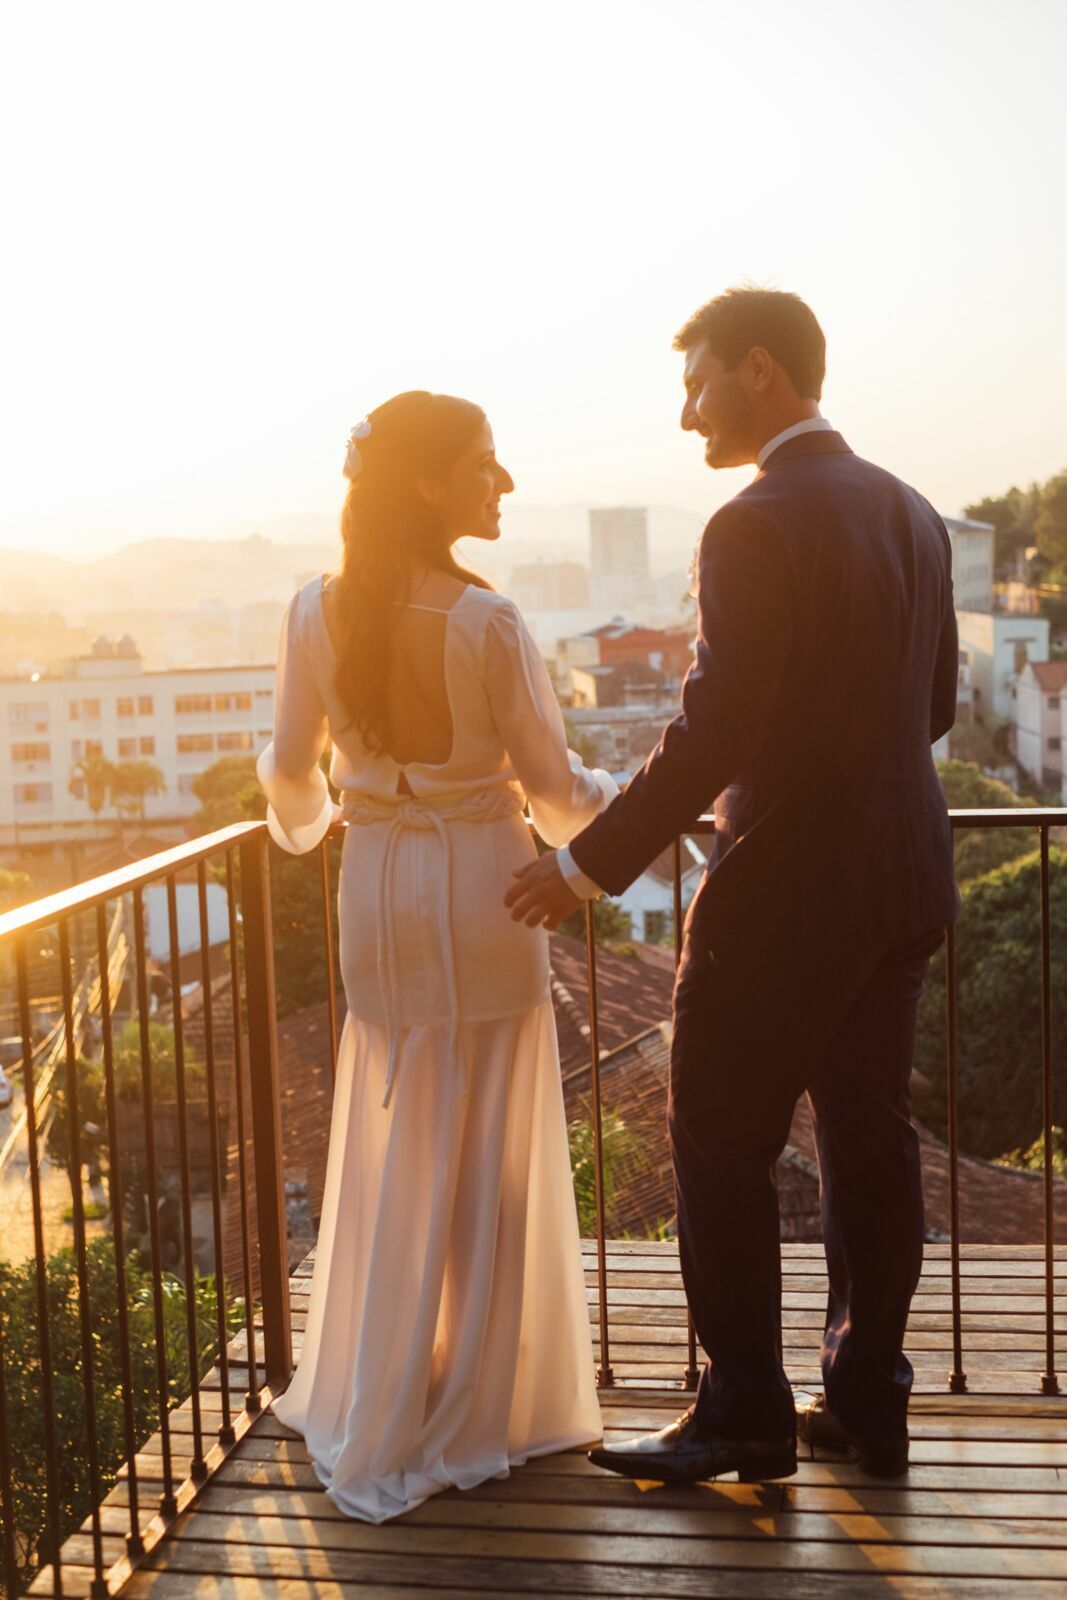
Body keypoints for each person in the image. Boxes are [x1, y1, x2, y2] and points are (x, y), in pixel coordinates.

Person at [507, 288, 960, 1482]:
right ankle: (869, 1400)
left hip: (783, 891)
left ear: (759, 372)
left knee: (716, 1139)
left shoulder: (749, 523)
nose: (684, 411)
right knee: (869, 1137)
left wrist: (583, 863)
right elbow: (936, 711)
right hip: (904, 872)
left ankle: (744, 1413)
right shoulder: (912, 512)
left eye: (696, 379)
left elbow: (712, 732)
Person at [262, 389, 615, 1522]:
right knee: (489, 1141)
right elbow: (558, 798)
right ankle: (478, 1399)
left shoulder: (314, 609)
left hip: (375, 887)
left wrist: (328, 823)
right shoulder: (488, 621)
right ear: (425, 482)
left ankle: (388, 1381)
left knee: (395, 1119)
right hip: (484, 889)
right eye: (483, 462)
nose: (501, 481)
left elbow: (287, 776)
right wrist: (632, 803)